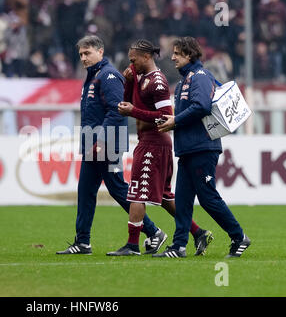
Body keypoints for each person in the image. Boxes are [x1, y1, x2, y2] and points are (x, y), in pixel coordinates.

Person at [106, 39, 213, 256]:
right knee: (164, 196)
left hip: (155, 143)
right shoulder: (138, 76)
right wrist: (128, 83)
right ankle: (198, 232)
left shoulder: (158, 82)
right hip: (148, 142)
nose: (131, 63)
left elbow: (166, 117)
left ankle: (133, 245)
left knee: (136, 193)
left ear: (146, 57)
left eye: (133, 59)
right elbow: (127, 104)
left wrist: (134, 111)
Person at [57, 35, 155, 255]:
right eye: (81, 54)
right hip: (95, 146)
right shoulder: (93, 76)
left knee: (119, 190)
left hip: (106, 145)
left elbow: (117, 110)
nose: (83, 58)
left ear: (100, 52)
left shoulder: (108, 75)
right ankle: (82, 242)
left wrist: (101, 140)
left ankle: (153, 232)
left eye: (87, 53)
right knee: (85, 192)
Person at [156, 37, 251, 258]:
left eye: (177, 53)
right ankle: (179, 246)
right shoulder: (184, 81)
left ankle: (238, 236)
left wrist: (175, 121)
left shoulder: (200, 76)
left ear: (189, 55)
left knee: (208, 198)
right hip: (189, 148)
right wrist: (173, 120)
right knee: (182, 200)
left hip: (203, 147)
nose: (173, 57)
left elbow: (202, 106)